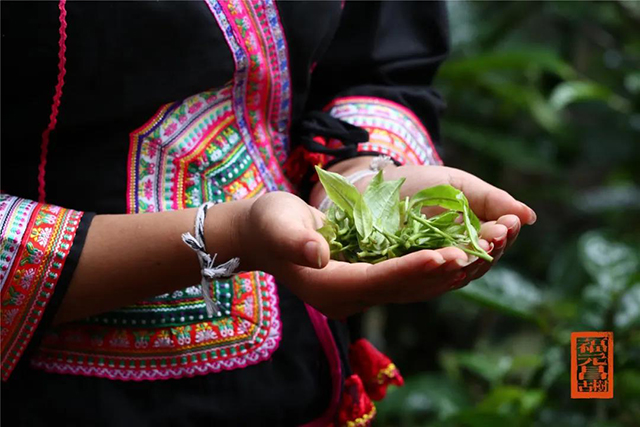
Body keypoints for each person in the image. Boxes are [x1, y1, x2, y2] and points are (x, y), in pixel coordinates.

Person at [0, 1, 535, 425]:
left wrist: (363, 173)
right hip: (69, 398)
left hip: (303, 382)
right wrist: (231, 234)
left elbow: (378, 58)